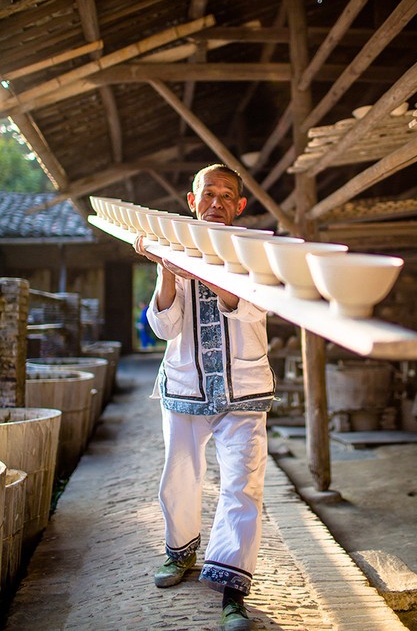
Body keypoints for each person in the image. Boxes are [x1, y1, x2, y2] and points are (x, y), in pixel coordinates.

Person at [134, 164, 275, 631]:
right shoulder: (169, 246)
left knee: (242, 485)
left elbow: (255, 309)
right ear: (191, 201)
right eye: (207, 194)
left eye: (226, 195)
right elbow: (163, 328)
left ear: (239, 205)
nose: (216, 202)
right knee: (179, 476)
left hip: (244, 389)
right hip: (185, 385)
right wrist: (166, 270)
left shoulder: (256, 252)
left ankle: (232, 588)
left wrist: (201, 273)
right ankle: (180, 554)